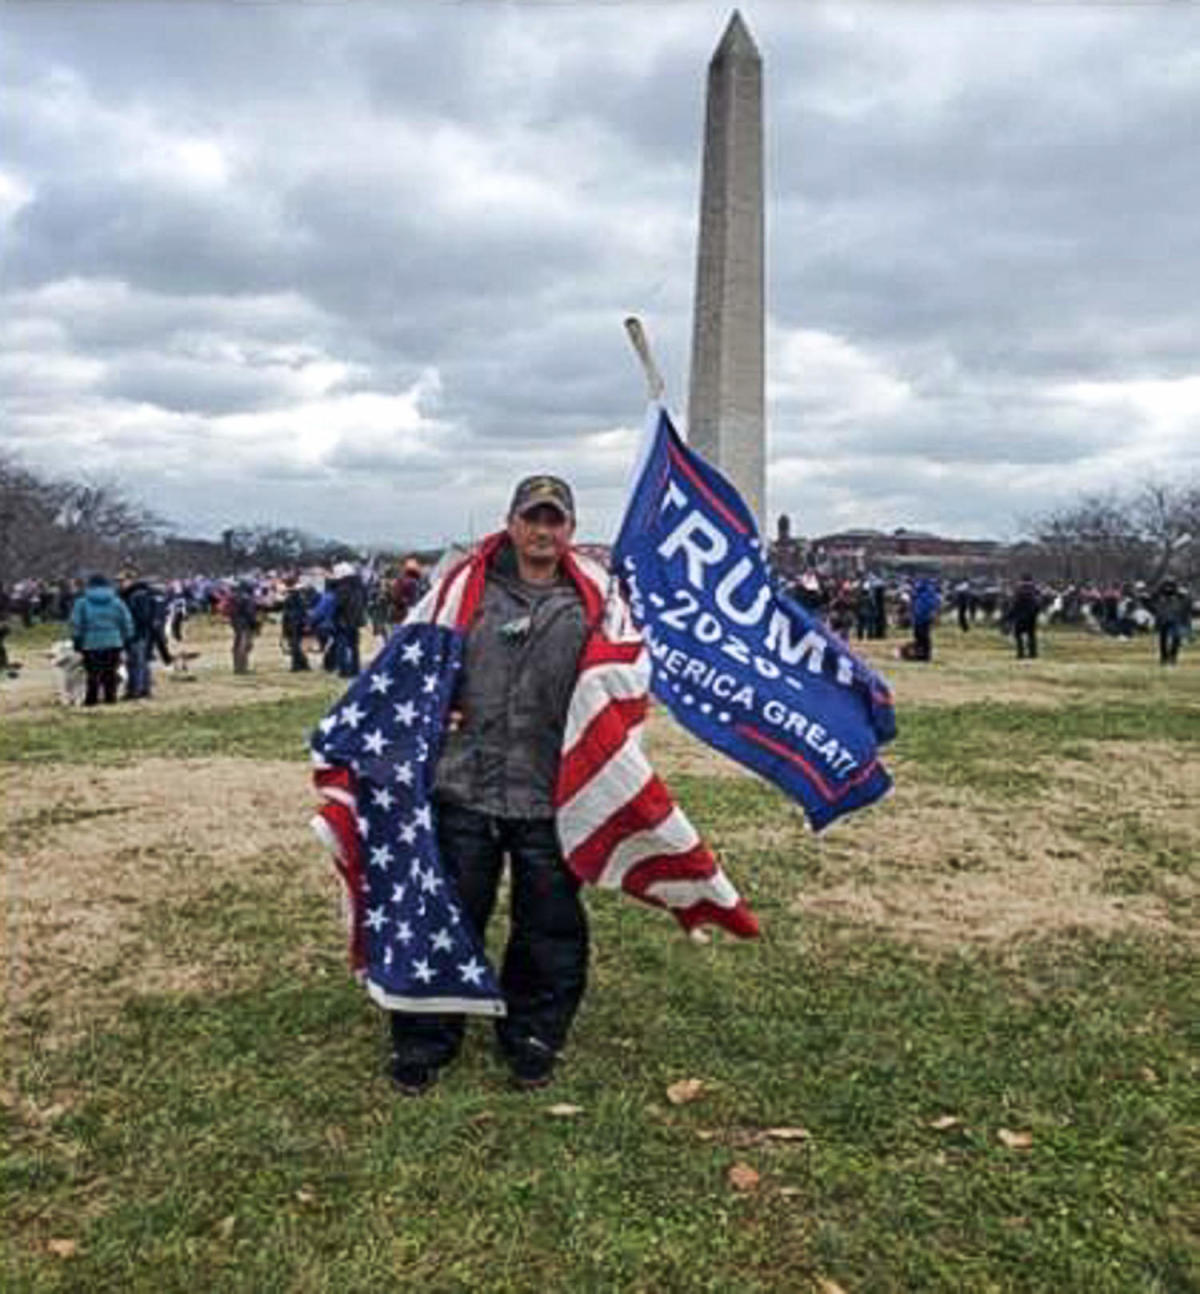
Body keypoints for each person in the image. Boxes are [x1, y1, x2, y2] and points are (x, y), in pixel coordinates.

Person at [388, 474, 592, 1096]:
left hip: (549, 792)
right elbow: (413, 670)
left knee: (548, 924)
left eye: (554, 520)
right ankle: (426, 1037)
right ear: (510, 523)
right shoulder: (461, 594)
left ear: (570, 532)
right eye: (532, 517)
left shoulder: (597, 605)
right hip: (465, 786)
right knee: (448, 916)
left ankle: (533, 1033)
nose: (542, 530)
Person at [71, 573, 134, 706]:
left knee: (93, 672)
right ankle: (110, 698)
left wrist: (77, 640)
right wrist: (127, 637)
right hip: (114, 641)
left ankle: (91, 699)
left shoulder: (81, 602)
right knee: (110, 672)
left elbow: (76, 623)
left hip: (90, 642)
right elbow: (126, 621)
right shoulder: (117, 602)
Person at [119, 570, 157, 699]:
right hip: (140, 633)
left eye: (122, 581)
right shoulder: (133, 594)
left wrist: (133, 630)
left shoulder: (138, 595)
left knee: (137, 662)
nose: (120, 584)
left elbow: (142, 617)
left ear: (131, 580)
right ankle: (142, 689)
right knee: (140, 662)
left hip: (138, 633)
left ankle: (137, 691)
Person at [330, 562, 366, 678]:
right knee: (354, 646)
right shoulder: (359, 586)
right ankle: (355, 669)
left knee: (342, 646)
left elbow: (338, 605)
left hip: (343, 620)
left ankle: (344, 670)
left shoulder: (342, 588)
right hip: (356, 620)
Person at [228, 580, 261, 674]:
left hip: (236, 623)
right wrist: (255, 624)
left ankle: (237, 667)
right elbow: (250, 613)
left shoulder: (234, 597)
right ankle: (242, 668)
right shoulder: (247, 598)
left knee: (237, 645)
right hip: (245, 624)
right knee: (244, 646)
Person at [1153, 578, 1187, 666]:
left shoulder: (1178, 594)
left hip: (1174, 618)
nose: (1169, 588)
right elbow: (1154, 597)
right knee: (1163, 640)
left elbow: (1184, 598)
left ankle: (1172, 657)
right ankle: (1164, 658)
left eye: (1170, 586)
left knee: (1176, 638)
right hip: (1163, 618)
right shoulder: (1160, 593)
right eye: (1167, 586)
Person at [279, 576, 311, 671]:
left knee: (294, 644)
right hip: (297, 621)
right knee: (295, 644)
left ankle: (297, 665)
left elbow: (289, 611)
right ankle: (303, 664)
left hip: (293, 622)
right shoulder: (298, 595)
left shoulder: (292, 595)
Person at [1009, 573, 1041, 660]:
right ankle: (1033, 653)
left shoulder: (1018, 590)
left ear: (1021, 580)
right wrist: (1035, 614)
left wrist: (1010, 616)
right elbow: (1038, 605)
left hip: (1020, 616)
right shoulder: (1035, 590)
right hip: (1031, 616)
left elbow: (1015, 604)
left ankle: (1020, 653)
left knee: (1018, 636)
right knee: (1031, 635)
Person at [909, 577, 941, 662]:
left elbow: (932, 605)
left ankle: (925, 655)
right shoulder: (918, 593)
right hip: (918, 618)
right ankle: (920, 654)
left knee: (923, 637)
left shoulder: (927, 593)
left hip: (923, 618)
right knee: (919, 636)